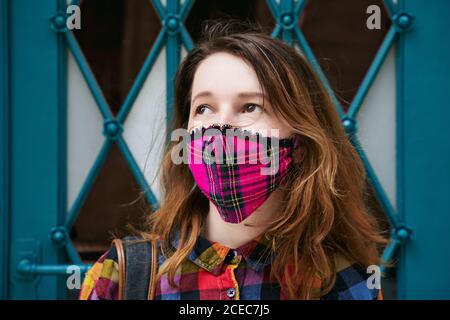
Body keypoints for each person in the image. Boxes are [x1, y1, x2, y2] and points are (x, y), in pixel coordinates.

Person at [79, 20, 386, 300]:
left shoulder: (345, 284)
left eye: (250, 107)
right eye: (204, 108)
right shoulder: (121, 280)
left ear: (301, 144)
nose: (220, 127)